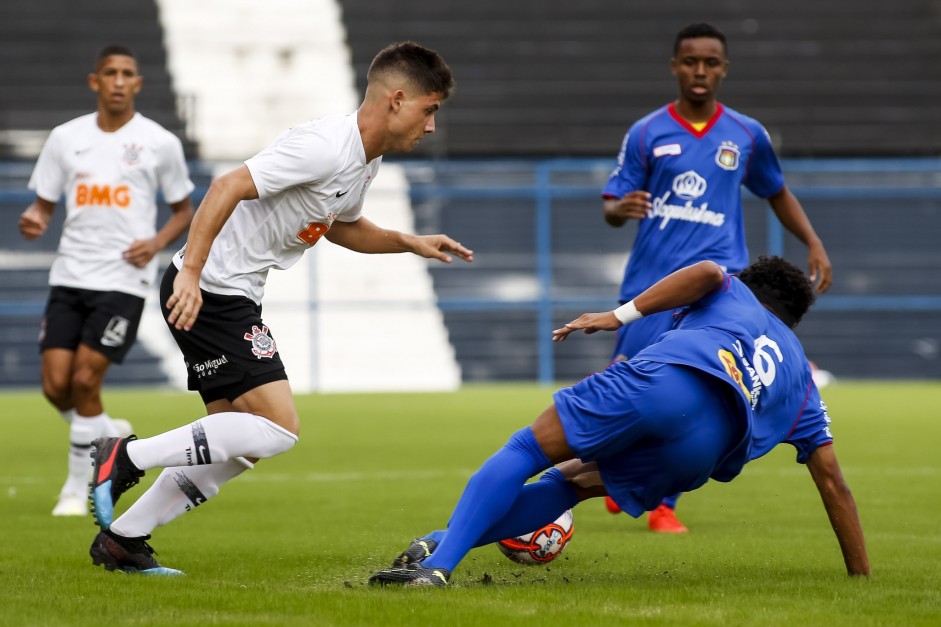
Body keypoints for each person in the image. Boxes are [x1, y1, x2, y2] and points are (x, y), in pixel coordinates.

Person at [85, 41, 473, 575]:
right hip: (214, 290)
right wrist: (194, 273)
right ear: (398, 100)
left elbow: (343, 226)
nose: (430, 125)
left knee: (239, 446)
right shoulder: (323, 146)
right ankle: (125, 456)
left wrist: (409, 241)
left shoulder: (365, 161)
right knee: (278, 428)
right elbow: (226, 187)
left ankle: (123, 539)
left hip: (228, 291)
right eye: (429, 110)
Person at [369, 256, 869, 587]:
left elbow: (710, 273)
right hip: (703, 450)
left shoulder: (735, 291)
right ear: (794, 320)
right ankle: (439, 540)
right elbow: (833, 483)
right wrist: (860, 580)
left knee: (527, 450)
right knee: (574, 482)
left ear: (754, 288)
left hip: (670, 380)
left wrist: (619, 314)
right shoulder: (801, 372)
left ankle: (436, 567)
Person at [599, 22, 832, 532]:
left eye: (710, 62)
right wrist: (622, 209)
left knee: (701, 392)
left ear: (723, 68)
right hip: (652, 284)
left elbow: (775, 191)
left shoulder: (747, 134)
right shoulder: (647, 132)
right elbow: (613, 204)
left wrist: (812, 241)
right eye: (690, 62)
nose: (699, 71)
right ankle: (610, 467)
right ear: (675, 66)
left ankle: (664, 506)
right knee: (626, 383)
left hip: (719, 292)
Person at [19, 45, 195, 517]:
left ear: (138, 83)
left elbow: (184, 211)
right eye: (110, 73)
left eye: (127, 74)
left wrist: (155, 242)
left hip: (123, 280)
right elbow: (45, 204)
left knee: (83, 380)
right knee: (55, 386)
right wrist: (35, 217)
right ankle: (105, 431)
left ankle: (76, 490)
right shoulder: (65, 138)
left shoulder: (159, 143)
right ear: (94, 81)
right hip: (70, 276)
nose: (118, 80)